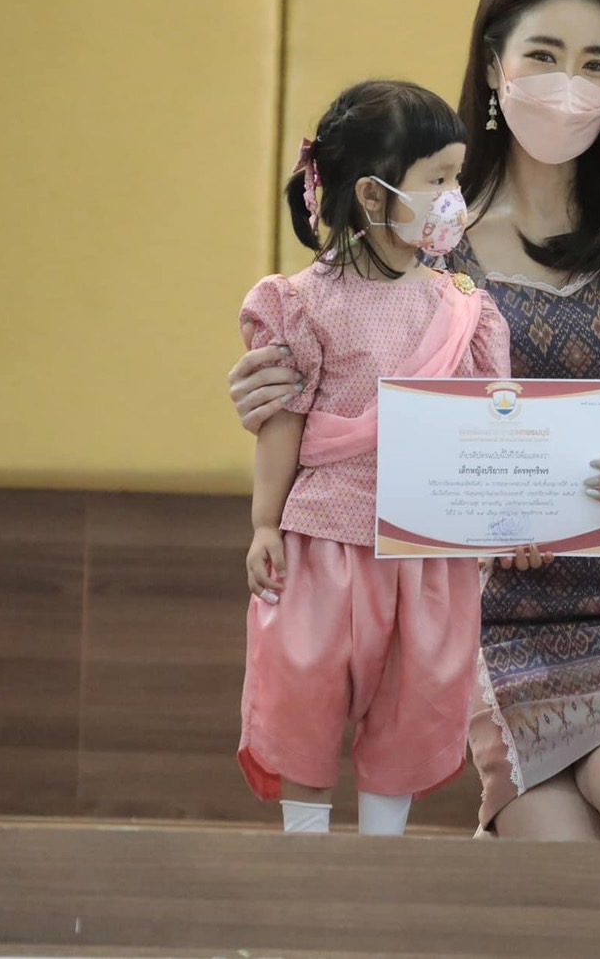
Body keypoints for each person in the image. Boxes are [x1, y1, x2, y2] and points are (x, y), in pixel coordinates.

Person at [228, 0, 600, 843]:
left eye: (597, 64)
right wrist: (268, 389)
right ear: (493, 64)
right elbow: (334, 347)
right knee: (554, 857)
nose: (569, 85)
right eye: (544, 55)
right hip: (490, 598)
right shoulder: (430, 233)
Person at [236, 80, 512, 837]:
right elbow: (283, 420)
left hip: (426, 551)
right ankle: (304, 855)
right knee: (304, 694)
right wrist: (264, 524)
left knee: (411, 703)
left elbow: (487, 432)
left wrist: (508, 523)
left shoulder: (465, 309)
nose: (454, 197)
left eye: (457, 177)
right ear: (371, 192)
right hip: (321, 545)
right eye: (438, 178)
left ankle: (381, 863)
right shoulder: (302, 302)